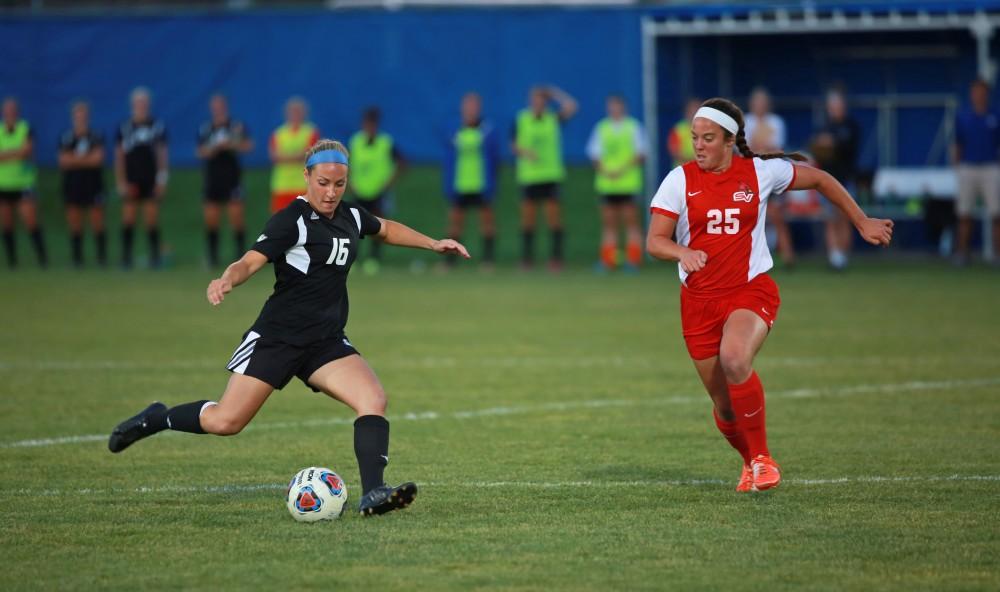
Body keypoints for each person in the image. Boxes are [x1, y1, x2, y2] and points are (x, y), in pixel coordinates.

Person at [107, 139, 470, 517]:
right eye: (324, 183)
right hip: (277, 339)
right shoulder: (289, 220)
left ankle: (374, 493)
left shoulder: (350, 216)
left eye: (340, 184)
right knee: (226, 421)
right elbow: (250, 261)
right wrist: (226, 279)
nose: (331, 192)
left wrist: (433, 244)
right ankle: (157, 417)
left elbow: (386, 229)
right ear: (307, 177)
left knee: (373, 399)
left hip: (324, 342)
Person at [646, 98, 892, 492]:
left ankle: (763, 459)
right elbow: (655, 242)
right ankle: (750, 463)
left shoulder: (760, 173)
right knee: (724, 406)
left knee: (735, 357)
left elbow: (821, 179)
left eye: (709, 138)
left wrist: (861, 221)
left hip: (749, 290)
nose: (699, 145)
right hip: (698, 303)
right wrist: (683, 251)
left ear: (730, 141)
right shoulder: (680, 180)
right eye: (695, 138)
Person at [511, 84, 578, 271]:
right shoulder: (521, 119)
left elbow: (572, 106)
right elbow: (513, 145)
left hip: (550, 176)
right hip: (529, 177)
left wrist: (554, 92)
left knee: (554, 220)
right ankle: (526, 259)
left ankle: (556, 259)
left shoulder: (553, 118)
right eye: (535, 99)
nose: (538, 103)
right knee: (528, 220)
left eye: (541, 99)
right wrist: (525, 152)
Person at [586, 94, 646, 272]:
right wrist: (606, 171)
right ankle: (608, 260)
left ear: (623, 107)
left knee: (631, 223)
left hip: (628, 184)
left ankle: (633, 260)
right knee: (609, 224)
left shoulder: (633, 127)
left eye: (617, 106)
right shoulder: (601, 128)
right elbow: (594, 154)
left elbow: (641, 153)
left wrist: (622, 169)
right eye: (611, 106)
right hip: (607, 184)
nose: (614, 109)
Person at [442, 92, 500, 269]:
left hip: (482, 185)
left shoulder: (488, 130)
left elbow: (495, 158)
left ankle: (487, 261)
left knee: (487, 224)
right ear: (462, 108)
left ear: (479, 108)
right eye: (468, 105)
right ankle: (450, 262)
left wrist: (492, 182)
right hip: (460, 184)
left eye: (474, 106)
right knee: (455, 225)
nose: (471, 109)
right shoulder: (454, 130)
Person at [197, 94, 254, 267]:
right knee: (211, 218)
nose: (218, 108)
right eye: (215, 106)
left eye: (221, 105)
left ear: (226, 106)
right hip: (213, 178)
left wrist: (231, 145)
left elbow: (248, 145)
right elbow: (200, 152)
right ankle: (212, 257)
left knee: (236, 217)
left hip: (232, 177)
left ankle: (241, 257)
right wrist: (214, 148)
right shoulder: (206, 128)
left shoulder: (236, 126)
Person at [348, 107, 407, 275]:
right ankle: (352, 259)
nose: (369, 127)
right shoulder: (355, 141)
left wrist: (389, 182)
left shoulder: (385, 142)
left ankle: (373, 259)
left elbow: (402, 163)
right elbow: (346, 161)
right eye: (367, 124)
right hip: (359, 190)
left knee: (377, 226)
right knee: (354, 226)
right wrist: (349, 182)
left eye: (372, 124)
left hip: (378, 191)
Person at [115, 87, 168, 269]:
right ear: (132, 105)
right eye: (138, 103)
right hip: (132, 179)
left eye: (144, 103)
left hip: (150, 179)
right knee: (128, 218)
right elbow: (120, 156)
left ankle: (155, 257)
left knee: (151, 218)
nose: (141, 106)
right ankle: (126, 257)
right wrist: (121, 181)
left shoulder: (156, 126)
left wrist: (161, 180)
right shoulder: (125, 127)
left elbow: (162, 153)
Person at [744, 87, 795, 268]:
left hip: (772, 174)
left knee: (776, 214)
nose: (760, 106)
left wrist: (760, 148)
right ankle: (751, 259)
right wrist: (762, 148)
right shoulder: (745, 121)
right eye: (757, 102)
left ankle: (788, 255)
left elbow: (777, 149)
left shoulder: (776, 122)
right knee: (750, 217)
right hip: (751, 174)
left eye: (763, 102)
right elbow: (747, 149)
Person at [952, 78, 1000, 265]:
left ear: (987, 94)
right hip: (968, 167)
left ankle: (997, 255)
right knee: (964, 213)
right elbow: (957, 145)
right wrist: (957, 167)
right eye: (975, 91)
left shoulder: (995, 115)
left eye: (982, 91)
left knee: (997, 214)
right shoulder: (963, 116)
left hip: (991, 167)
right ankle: (962, 254)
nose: (978, 95)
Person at [814, 89, 861, 270]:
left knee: (844, 218)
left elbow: (848, 147)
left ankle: (843, 256)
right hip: (826, 180)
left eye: (838, 105)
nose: (836, 109)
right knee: (830, 219)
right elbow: (815, 147)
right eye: (833, 106)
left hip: (846, 179)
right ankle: (834, 256)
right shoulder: (824, 126)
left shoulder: (851, 126)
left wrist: (831, 143)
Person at [58, 100, 106, 268]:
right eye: (77, 114)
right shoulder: (66, 137)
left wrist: (74, 159)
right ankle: (77, 259)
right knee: (74, 222)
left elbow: (98, 159)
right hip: (72, 184)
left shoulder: (96, 136)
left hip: (93, 184)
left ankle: (101, 259)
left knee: (97, 221)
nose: (80, 118)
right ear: (73, 117)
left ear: (88, 116)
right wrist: (87, 158)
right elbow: (63, 161)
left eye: (83, 114)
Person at [0, 97, 46, 268]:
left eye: (13, 109)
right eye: (7, 109)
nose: (10, 112)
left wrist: (5, 154)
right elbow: (20, 152)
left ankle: (43, 259)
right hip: (3, 184)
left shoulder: (25, 128)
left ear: (17, 112)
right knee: (6, 224)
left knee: (31, 221)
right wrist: (16, 152)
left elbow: (26, 151)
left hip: (23, 183)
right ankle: (12, 261)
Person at [269, 97, 319, 213]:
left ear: (305, 113)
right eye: (292, 111)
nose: (295, 114)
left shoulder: (311, 131)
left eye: (298, 111)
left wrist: (285, 157)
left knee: (305, 224)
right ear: (286, 113)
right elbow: (274, 157)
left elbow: (309, 154)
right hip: (282, 186)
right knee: (280, 225)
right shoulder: (278, 133)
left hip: (303, 185)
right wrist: (297, 155)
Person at [667, 98, 701, 168]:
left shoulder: (708, 129)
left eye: (696, 111)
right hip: (682, 172)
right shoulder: (678, 129)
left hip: (701, 172)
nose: (694, 114)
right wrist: (694, 159)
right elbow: (674, 153)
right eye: (692, 111)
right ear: (686, 112)